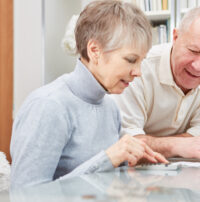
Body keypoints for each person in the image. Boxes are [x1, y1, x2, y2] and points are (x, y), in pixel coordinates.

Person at [10, 0, 167, 188]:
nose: (138, 72)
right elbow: (25, 194)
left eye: (141, 61)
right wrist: (108, 158)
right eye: (131, 60)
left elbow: (105, 184)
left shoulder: (110, 107)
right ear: (95, 51)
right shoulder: (48, 106)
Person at [111, 7, 200, 164]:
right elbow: (126, 144)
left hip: (186, 176)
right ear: (175, 37)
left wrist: (154, 143)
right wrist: (177, 145)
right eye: (193, 51)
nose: (198, 66)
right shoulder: (139, 68)